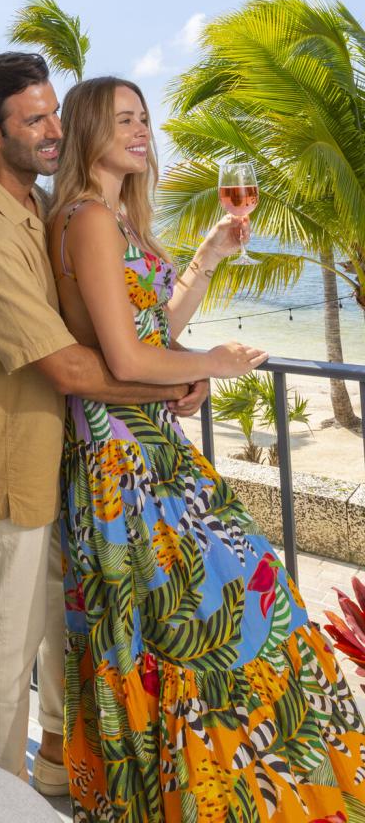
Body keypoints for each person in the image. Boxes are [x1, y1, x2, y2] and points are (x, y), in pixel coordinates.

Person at [49, 75, 365, 822]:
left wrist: (213, 254)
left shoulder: (114, 219)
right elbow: (127, 359)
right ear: (89, 129)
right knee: (238, 610)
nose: (141, 131)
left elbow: (152, 324)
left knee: (193, 627)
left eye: (144, 119)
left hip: (151, 442)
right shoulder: (89, 219)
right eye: (124, 119)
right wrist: (211, 364)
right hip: (124, 462)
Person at [0, 53, 208, 794]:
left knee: (64, 613)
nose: (55, 130)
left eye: (55, 112)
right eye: (35, 120)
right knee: (11, 629)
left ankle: (57, 760)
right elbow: (70, 366)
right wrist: (189, 374)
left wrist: (180, 358)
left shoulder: (35, 202)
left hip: (61, 448)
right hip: (8, 453)